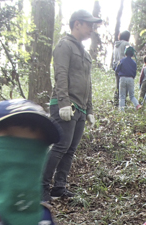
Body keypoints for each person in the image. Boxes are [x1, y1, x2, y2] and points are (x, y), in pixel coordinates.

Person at [43, 10, 102, 202]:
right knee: (61, 146)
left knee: (71, 149)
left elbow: (88, 83)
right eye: (89, 25)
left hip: (81, 108)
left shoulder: (85, 54)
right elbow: (60, 74)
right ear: (77, 24)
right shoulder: (64, 46)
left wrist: (90, 110)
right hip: (65, 106)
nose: (91, 30)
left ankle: (59, 187)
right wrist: (63, 103)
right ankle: (41, 188)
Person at [115, 46, 141, 111]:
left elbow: (117, 69)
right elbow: (135, 72)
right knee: (132, 95)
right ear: (132, 54)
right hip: (131, 79)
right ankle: (137, 105)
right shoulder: (134, 63)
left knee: (122, 96)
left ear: (125, 53)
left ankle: (122, 110)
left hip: (122, 78)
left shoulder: (121, 61)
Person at [113, 30, 131, 106]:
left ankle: (116, 100)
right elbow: (130, 54)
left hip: (116, 65)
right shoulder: (126, 44)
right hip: (124, 66)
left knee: (118, 83)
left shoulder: (116, 44)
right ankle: (122, 101)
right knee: (125, 84)